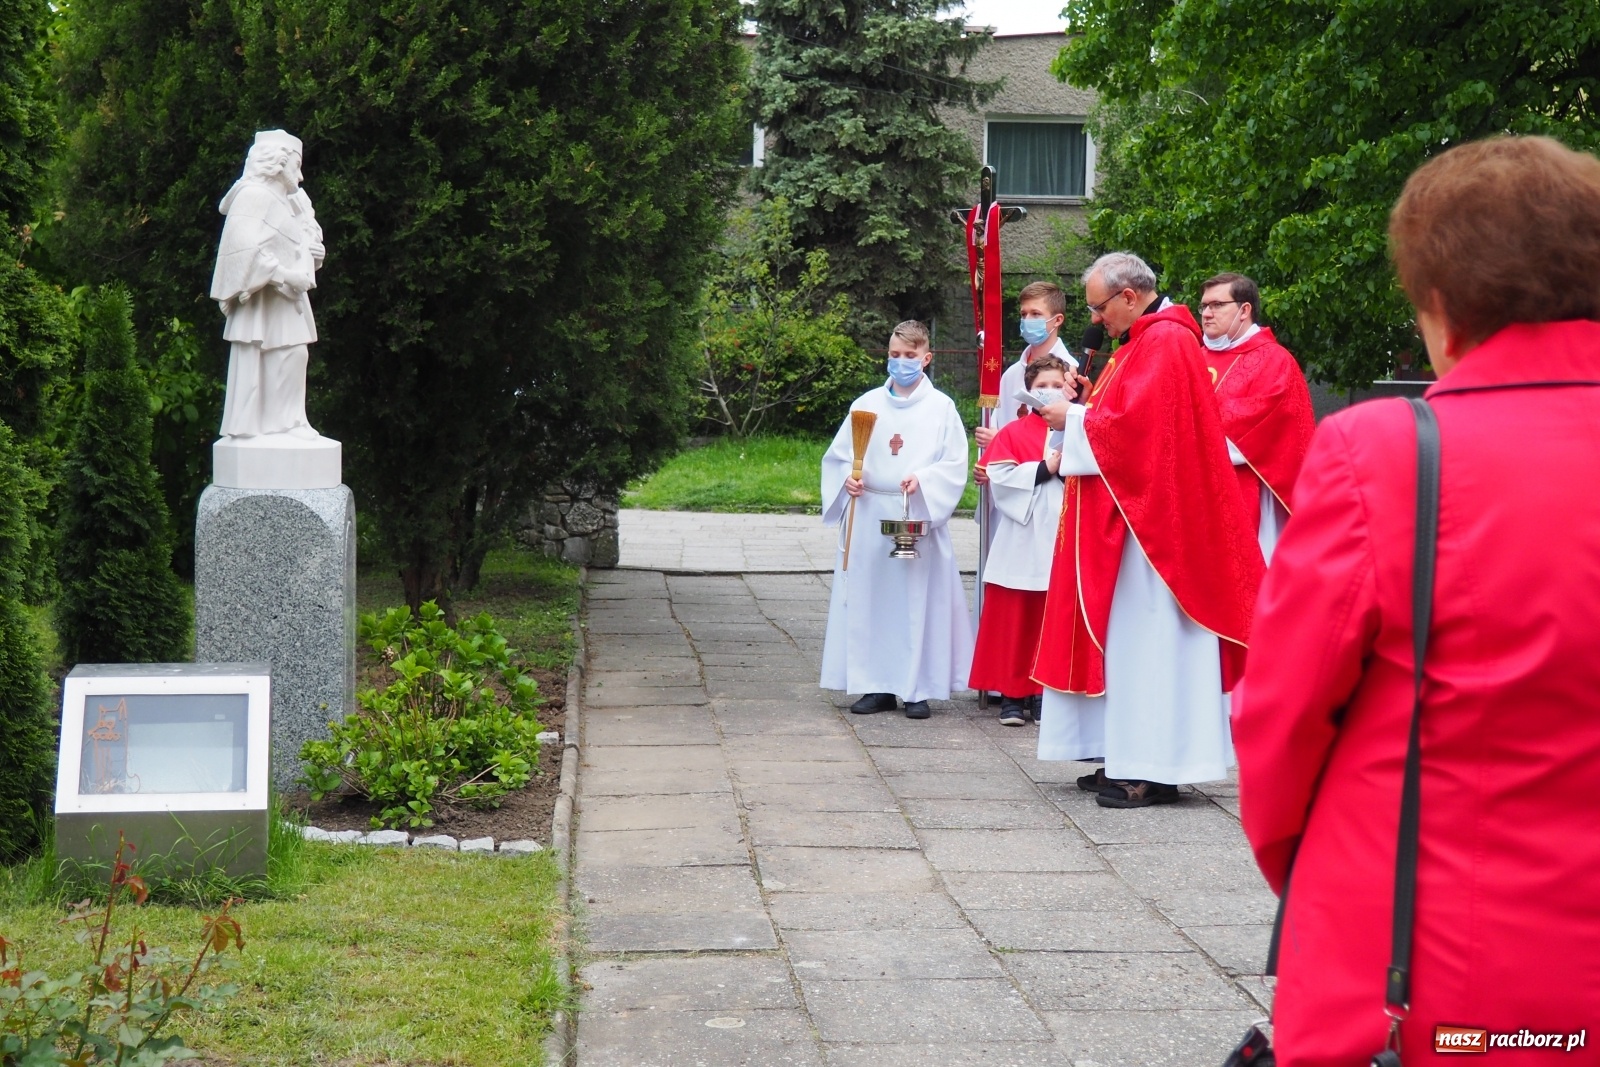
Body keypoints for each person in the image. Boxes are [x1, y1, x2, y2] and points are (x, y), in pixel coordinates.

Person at [1234, 136, 1600, 1065]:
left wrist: (1316, 877)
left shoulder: (1386, 453)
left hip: (1435, 962)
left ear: (1439, 300)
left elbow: (1281, 725)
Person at [1032, 252, 1263, 807]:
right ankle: (1127, 754)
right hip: (1134, 522)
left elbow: (1147, 436)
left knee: (1154, 646)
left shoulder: (1166, 341)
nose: (1095, 319)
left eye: (1098, 307)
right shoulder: (1141, 343)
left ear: (1129, 297)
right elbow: (1129, 418)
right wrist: (1088, 405)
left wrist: (1077, 421)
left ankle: (1155, 769)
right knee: (1131, 647)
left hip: (1159, 535)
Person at [819, 320, 973, 719]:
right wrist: (848, 481)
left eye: (909, 356)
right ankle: (874, 685)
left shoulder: (942, 408)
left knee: (915, 602)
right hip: (870, 511)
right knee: (871, 600)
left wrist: (922, 480)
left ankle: (916, 688)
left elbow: (955, 463)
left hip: (915, 515)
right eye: (893, 355)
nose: (900, 362)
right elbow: (837, 458)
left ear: (926, 358)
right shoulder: (866, 404)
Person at [968, 354, 1072, 726]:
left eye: (1056, 384)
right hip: (1022, 537)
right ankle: (1012, 694)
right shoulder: (1013, 432)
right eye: (1041, 386)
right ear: (1028, 391)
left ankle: (1045, 694)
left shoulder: (1079, 429)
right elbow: (999, 476)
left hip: (1063, 537)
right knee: (1014, 618)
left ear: (1069, 387)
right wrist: (1046, 469)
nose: (1048, 392)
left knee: (1053, 620)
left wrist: (1066, 469)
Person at [211, 129, 326, 439]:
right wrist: (285, 276)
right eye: (296, 165)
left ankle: (288, 422)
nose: (300, 176)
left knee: (294, 354)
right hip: (263, 297)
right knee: (266, 358)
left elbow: (303, 238)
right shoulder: (252, 196)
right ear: (277, 162)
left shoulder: (295, 201)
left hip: (288, 297)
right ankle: (270, 426)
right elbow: (244, 251)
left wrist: (316, 254)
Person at [1196, 273, 1315, 563]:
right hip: (1198, 492)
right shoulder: (1195, 357)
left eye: (1217, 305)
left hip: (1250, 491)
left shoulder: (1274, 361)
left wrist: (1186, 427)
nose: (1207, 313)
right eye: (1203, 306)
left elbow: (1254, 426)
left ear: (1244, 310)